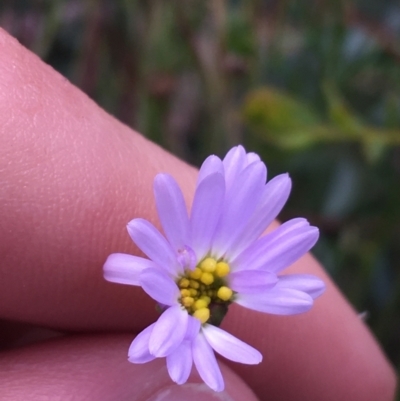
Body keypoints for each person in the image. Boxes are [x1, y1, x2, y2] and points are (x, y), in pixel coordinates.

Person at [0, 28, 396, 400]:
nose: (207, 293)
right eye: (211, 294)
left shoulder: (204, 288)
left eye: (211, 295)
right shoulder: (191, 285)